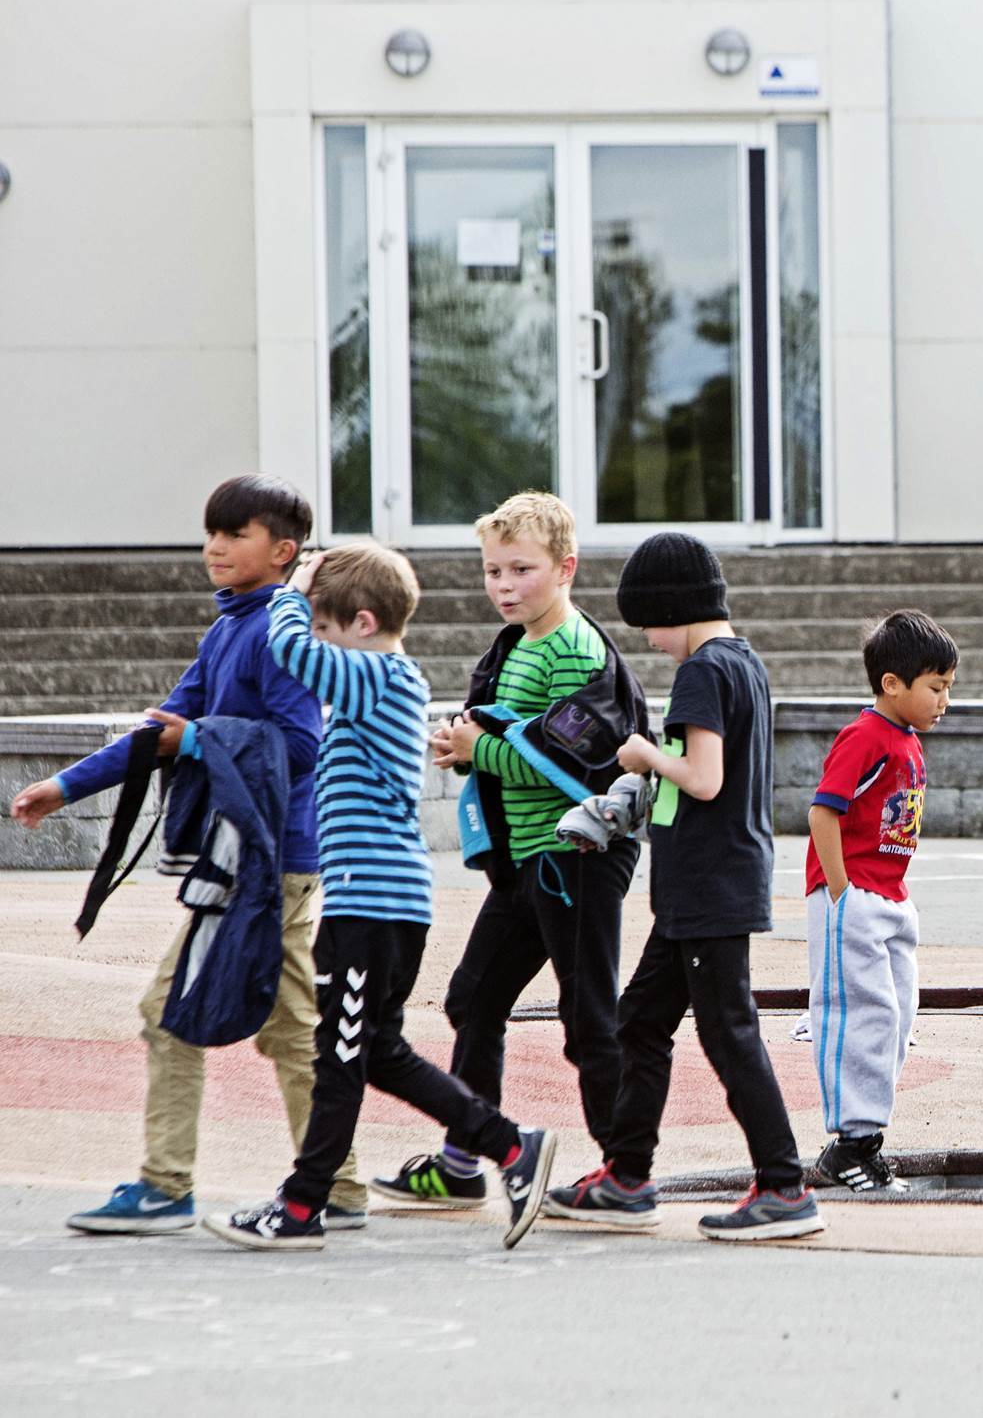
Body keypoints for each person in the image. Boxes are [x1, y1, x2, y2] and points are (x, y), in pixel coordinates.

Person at [7, 475, 367, 1233]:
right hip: (260, 859)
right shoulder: (231, 626)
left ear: (284, 550)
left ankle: (169, 1186)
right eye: (211, 532)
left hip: (270, 862)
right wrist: (65, 786)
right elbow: (161, 726)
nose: (215, 546)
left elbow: (302, 744)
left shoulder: (280, 629)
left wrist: (198, 739)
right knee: (290, 1024)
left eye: (235, 533)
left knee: (172, 1014)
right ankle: (335, 1185)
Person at [206, 545, 556, 1250]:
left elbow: (289, 651)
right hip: (371, 903)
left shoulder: (376, 674)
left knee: (339, 1057)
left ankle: (303, 1205)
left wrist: (290, 591)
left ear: (361, 623)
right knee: (376, 1051)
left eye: (328, 626)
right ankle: (513, 1145)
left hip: (373, 906)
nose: (319, 638)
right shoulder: (380, 680)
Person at [543, 533, 823, 1240]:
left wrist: (642, 754)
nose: (651, 641)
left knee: (728, 1033)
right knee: (639, 1021)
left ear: (674, 608)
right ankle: (627, 1173)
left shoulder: (702, 670)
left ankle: (784, 1183)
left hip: (708, 885)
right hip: (703, 886)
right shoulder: (745, 663)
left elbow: (704, 777)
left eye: (651, 626)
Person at [374, 492, 642, 1209]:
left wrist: (479, 747)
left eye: (521, 569)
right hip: (525, 862)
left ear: (566, 568)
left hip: (574, 859)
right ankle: (467, 1155)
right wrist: (466, 752)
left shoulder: (575, 648)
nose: (504, 585)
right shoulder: (518, 641)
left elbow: (574, 762)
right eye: (493, 570)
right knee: (473, 997)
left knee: (589, 1015)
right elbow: (510, 738)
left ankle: (625, 1173)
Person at [801, 610, 957, 1193]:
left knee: (897, 1015)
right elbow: (823, 811)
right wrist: (840, 894)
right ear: (893, 683)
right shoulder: (864, 735)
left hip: (891, 897)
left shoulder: (907, 740)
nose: (944, 699)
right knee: (859, 1015)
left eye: (948, 688)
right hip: (853, 898)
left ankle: (862, 1139)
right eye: (935, 687)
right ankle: (853, 1145)